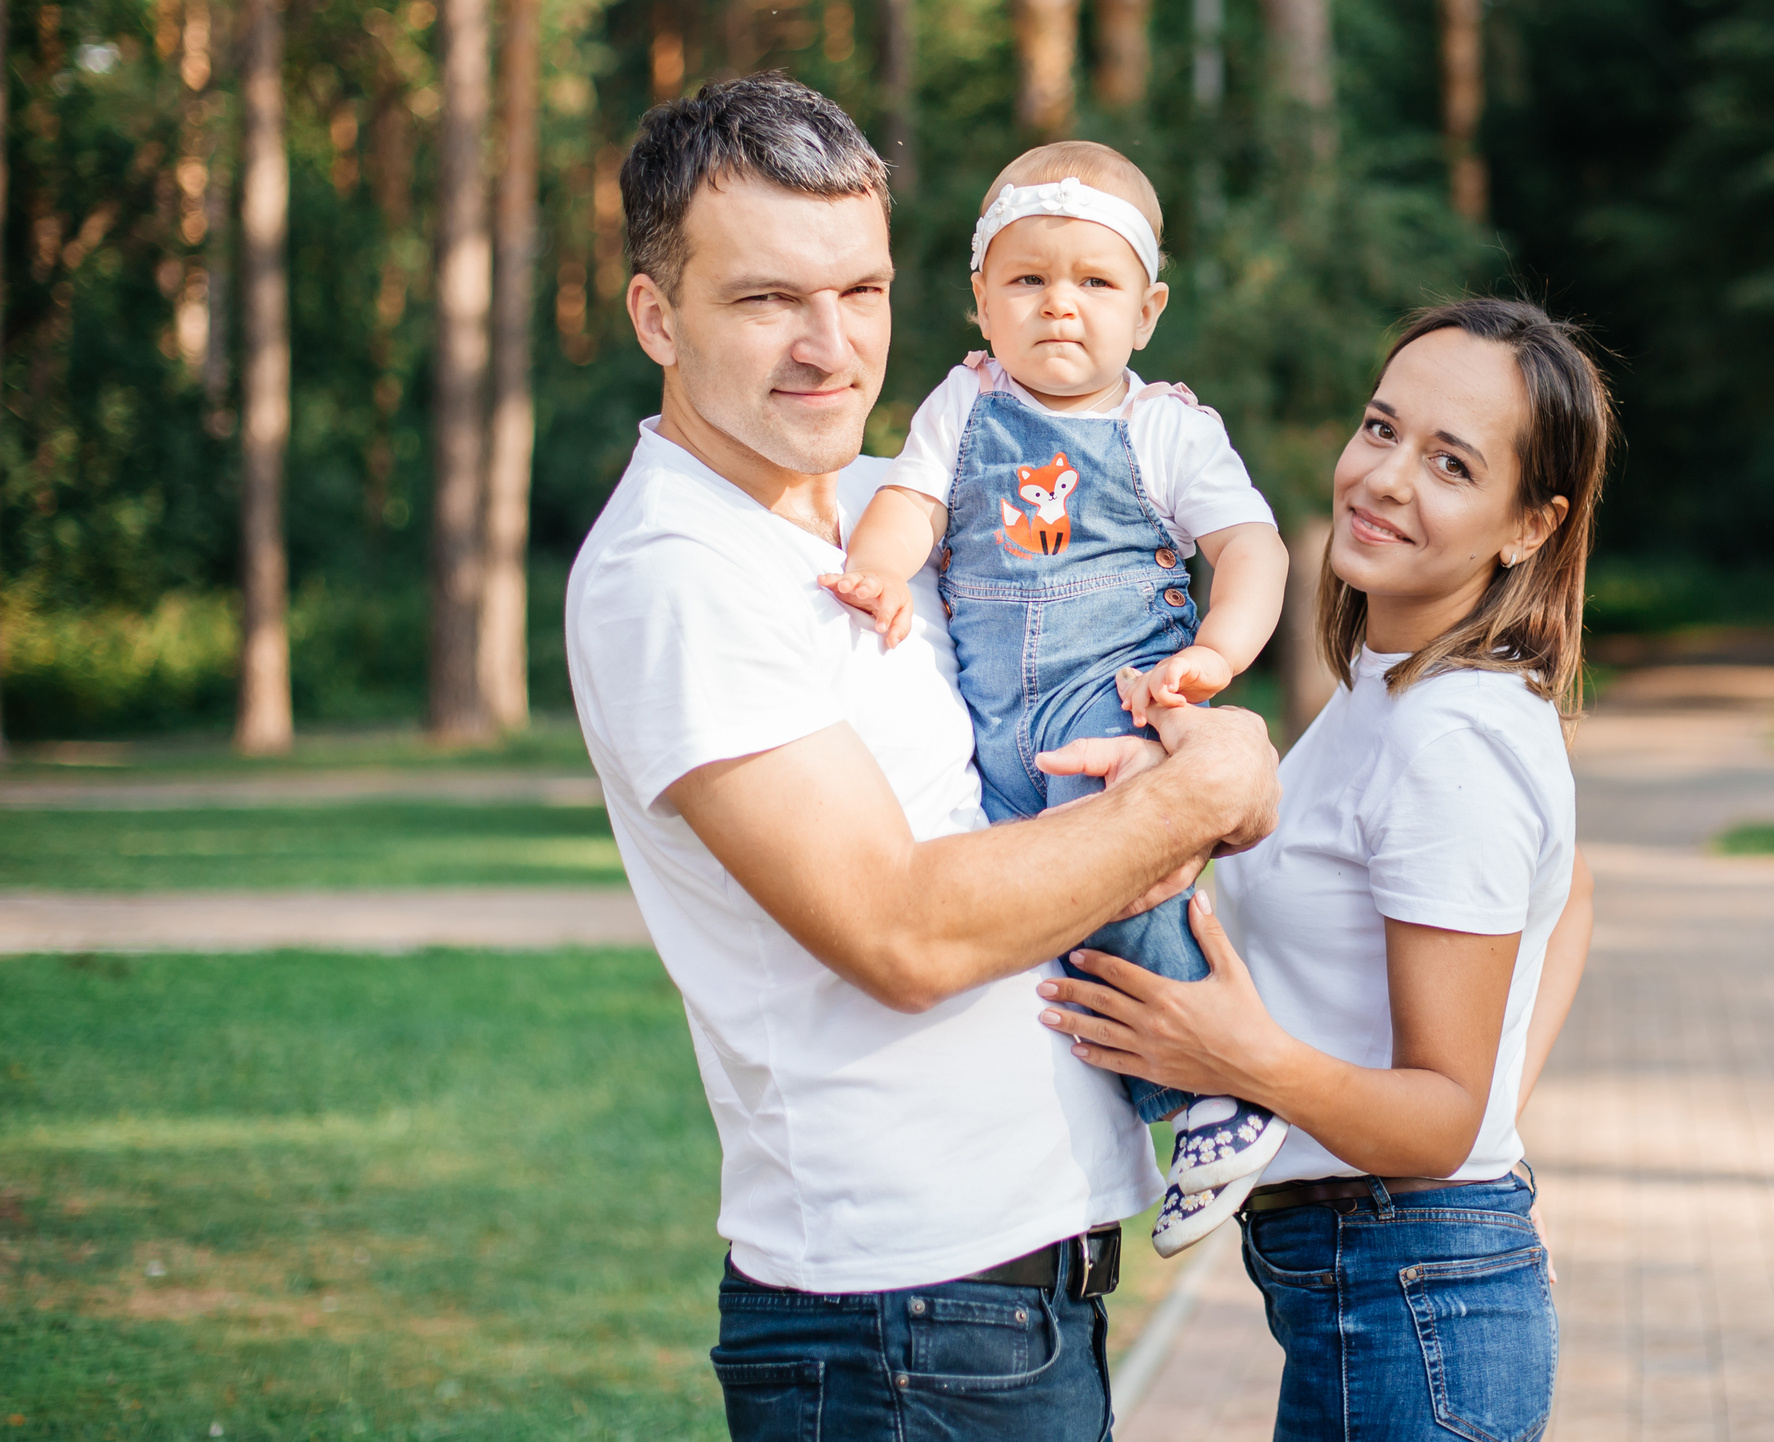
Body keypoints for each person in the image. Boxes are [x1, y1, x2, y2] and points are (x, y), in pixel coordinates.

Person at [563, 73, 1278, 1442]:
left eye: (863, 291)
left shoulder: (912, 500)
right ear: (657, 314)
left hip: (1013, 1293)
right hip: (898, 1322)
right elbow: (898, 931)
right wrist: (1202, 789)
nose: (830, 344)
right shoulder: (678, 574)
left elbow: (1132, 588)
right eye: (768, 298)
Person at [1039, 298, 1609, 1442]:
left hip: (1409, 1294)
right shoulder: (1393, 694)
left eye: (1450, 462)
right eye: (1380, 427)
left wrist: (1244, 1059)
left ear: (1528, 526)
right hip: (1398, 1280)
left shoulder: (1449, 736)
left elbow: (1441, 1117)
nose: (1385, 477)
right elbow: (1575, 895)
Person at [821, 141, 1296, 1254]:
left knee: (1131, 891)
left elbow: (1253, 546)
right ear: (981, 298)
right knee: (1036, 913)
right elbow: (909, 502)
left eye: (1095, 281)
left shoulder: (1166, 427)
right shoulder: (961, 402)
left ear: (1148, 308)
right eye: (1027, 280)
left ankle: (1220, 1092)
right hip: (998, 720)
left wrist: (1217, 656)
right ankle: (1108, 1112)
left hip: (1111, 693)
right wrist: (881, 570)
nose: (1060, 307)